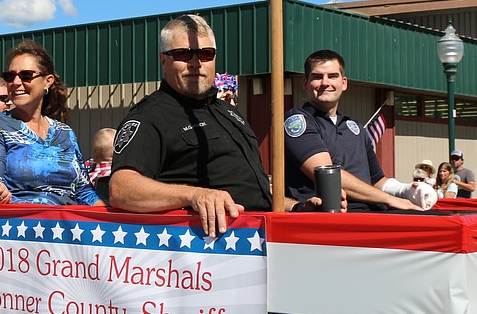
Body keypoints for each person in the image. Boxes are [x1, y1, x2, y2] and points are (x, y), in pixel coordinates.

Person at [109, 15, 331, 236]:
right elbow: (121, 188)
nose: (196, 63)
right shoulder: (150, 115)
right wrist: (195, 196)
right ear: (163, 60)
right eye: (183, 54)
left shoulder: (228, 112)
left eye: (206, 54)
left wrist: (296, 207)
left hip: (266, 239)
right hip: (213, 252)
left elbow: (252, 189)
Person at [282, 49, 429, 213]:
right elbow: (328, 176)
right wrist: (391, 200)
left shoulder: (354, 127)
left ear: (344, 83)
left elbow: (377, 181)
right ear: (305, 84)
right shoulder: (297, 121)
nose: (325, 82)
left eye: (332, 76)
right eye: (317, 77)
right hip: (335, 218)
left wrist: (407, 190)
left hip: (373, 212)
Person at [0, 41, 102, 207]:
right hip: (19, 225)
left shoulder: (65, 132)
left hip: (67, 227)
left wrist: (116, 217)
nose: (16, 82)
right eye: (10, 76)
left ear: (47, 81)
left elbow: (84, 191)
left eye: (26, 75)